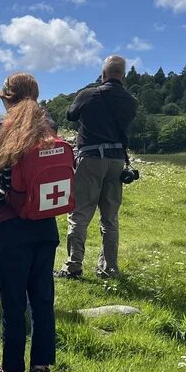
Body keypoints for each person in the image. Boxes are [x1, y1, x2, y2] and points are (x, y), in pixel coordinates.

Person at [0, 73, 60, 372]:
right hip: (46, 227)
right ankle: (40, 370)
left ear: (7, 99)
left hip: (12, 228)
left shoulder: (4, 132)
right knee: (42, 300)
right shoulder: (49, 130)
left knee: (13, 302)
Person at [56, 54, 137, 280]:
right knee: (110, 217)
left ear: (103, 74)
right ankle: (109, 269)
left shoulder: (89, 94)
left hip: (91, 157)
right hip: (117, 161)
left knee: (80, 213)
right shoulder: (131, 101)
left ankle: (73, 267)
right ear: (124, 75)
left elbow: (70, 115)